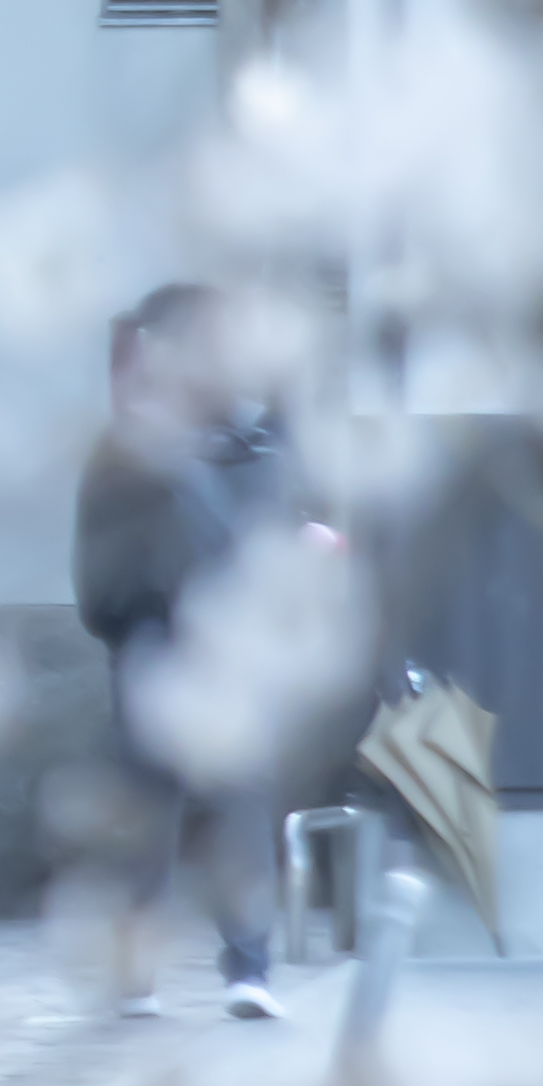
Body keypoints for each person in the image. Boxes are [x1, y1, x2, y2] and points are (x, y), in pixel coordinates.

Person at [73, 283, 344, 1020]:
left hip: (236, 648)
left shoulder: (260, 444)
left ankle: (248, 967)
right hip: (154, 640)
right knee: (147, 810)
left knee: (240, 805)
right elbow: (98, 560)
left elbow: (284, 534)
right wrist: (130, 625)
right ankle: (137, 972)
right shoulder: (128, 450)